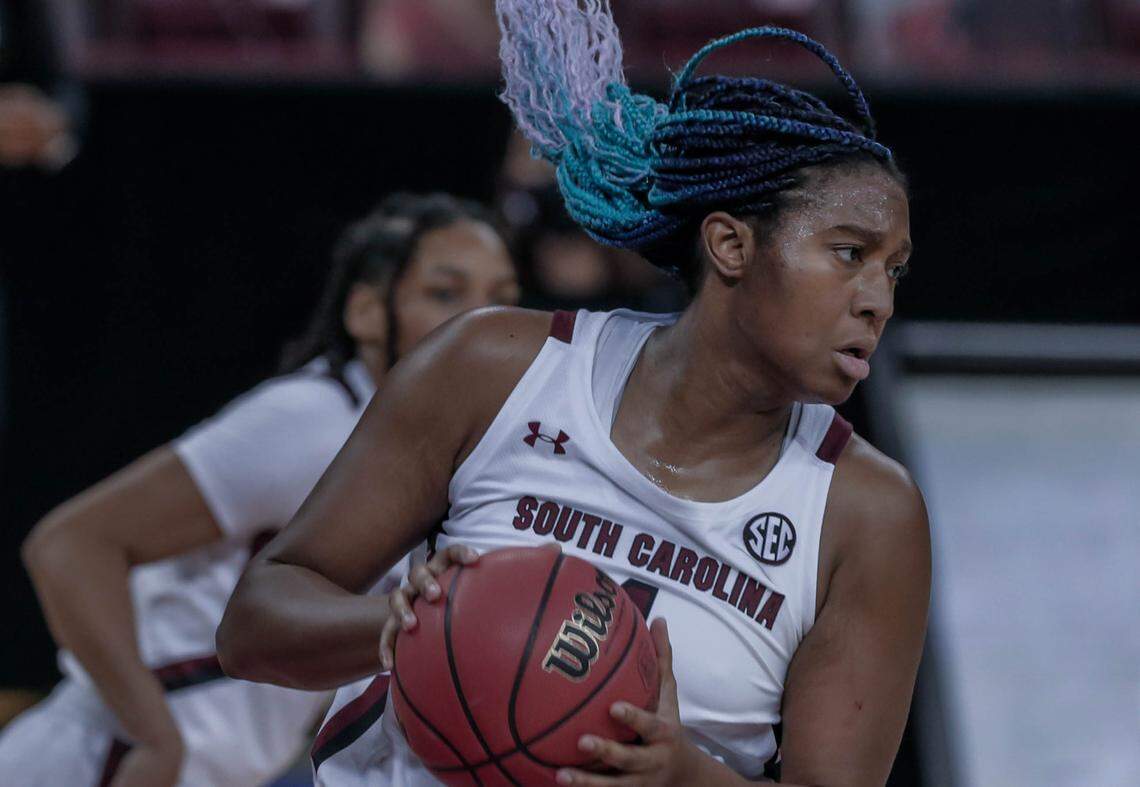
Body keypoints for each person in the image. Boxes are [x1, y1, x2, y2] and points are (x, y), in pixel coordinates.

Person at [218, 4, 930, 786]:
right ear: (730, 244)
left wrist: (683, 774)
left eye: (891, 271)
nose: (877, 300)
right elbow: (254, 624)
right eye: (849, 253)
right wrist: (406, 626)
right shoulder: (495, 365)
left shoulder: (868, 512)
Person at [4, 192, 520, 786]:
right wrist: (155, 739)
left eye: (503, 298)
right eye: (445, 293)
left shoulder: (442, 452)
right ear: (366, 313)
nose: (482, 320)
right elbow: (69, 544)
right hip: (108, 760)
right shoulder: (311, 418)